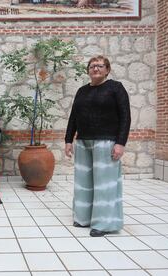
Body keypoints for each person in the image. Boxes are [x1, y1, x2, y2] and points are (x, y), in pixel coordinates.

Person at [65, 55, 131, 237]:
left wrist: (120, 143)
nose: (96, 69)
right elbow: (74, 117)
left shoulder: (115, 88)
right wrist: (68, 140)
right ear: (88, 70)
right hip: (84, 142)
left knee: (105, 185)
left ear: (107, 70)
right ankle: (83, 217)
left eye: (100, 66)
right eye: (93, 66)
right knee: (83, 183)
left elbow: (126, 117)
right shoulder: (81, 91)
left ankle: (104, 223)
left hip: (107, 142)